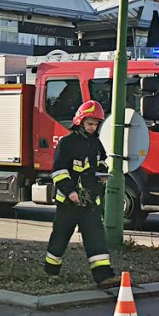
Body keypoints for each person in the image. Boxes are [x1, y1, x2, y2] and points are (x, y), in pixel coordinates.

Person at [44, 100, 119, 288]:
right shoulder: (67, 143)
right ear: (80, 121)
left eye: (96, 124)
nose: (93, 128)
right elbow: (59, 171)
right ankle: (51, 274)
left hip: (90, 202)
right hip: (68, 203)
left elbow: (102, 164)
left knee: (96, 238)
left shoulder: (96, 144)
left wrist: (102, 176)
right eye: (90, 124)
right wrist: (70, 192)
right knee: (60, 238)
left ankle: (104, 276)